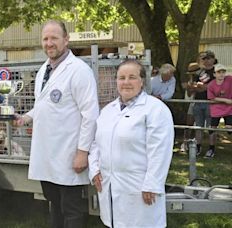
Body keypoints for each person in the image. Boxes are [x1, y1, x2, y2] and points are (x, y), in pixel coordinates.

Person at [13, 20, 99, 228]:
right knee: (54, 204)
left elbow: (90, 114)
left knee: (71, 209)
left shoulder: (79, 71)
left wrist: (82, 152)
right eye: (45, 38)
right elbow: (44, 104)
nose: (49, 43)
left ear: (66, 40)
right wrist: (25, 118)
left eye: (54, 38)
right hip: (48, 154)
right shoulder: (44, 69)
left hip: (68, 153)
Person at [88, 60, 174, 228]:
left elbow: (160, 151)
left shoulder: (155, 109)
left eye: (132, 77)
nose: (126, 82)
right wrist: (94, 169)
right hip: (110, 185)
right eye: (121, 78)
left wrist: (152, 183)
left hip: (140, 187)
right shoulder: (108, 110)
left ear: (142, 81)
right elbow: (95, 143)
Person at [187, 50, 216, 156]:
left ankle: (211, 148)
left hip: (211, 102)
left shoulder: (216, 72)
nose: (206, 61)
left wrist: (203, 87)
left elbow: (214, 88)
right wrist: (193, 87)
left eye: (208, 58)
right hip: (197, 102)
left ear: (213, 59)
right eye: (204, 59)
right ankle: (198, 147)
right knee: (198, 126)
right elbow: (192, 90)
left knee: (210, 127)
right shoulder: (197, 72)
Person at [206, 64, 232, 158]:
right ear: (214, 74)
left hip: (229, 110)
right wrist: (226, 100)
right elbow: (211, 98)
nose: (221, 74)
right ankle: (211, 148)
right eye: (219, 72)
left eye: (223, 72)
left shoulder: (229, 79)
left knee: (229, 128)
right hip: (216, 109)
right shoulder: (211, 85)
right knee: (212, 129)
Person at [180, 62, 200, 152]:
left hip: (201, 103)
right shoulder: (190, 82)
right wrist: (190, 87)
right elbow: (188, 95)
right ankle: (185, 143)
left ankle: (197, 144)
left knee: (199, 125)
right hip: (193, 103)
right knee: (189, 123)